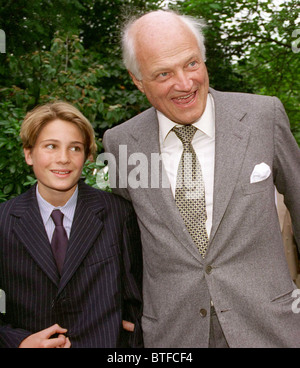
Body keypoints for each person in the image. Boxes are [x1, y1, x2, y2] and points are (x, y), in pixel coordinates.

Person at [103, 10, 300, 348]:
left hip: (271, 327)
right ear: (137, 80)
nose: (184, 83)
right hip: (173, 335)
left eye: (191, 64)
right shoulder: (121, 143)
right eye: (163, 73)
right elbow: (126, 239)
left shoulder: (262, 117)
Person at [0, 101, 143, 348]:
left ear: (88, 157)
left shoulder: (118, 214)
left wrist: (134, 335)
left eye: (75, 148)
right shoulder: (4, 221)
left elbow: (139, 295)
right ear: (28, 154)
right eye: (51, 146)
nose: (63, 158)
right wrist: (20, 342)